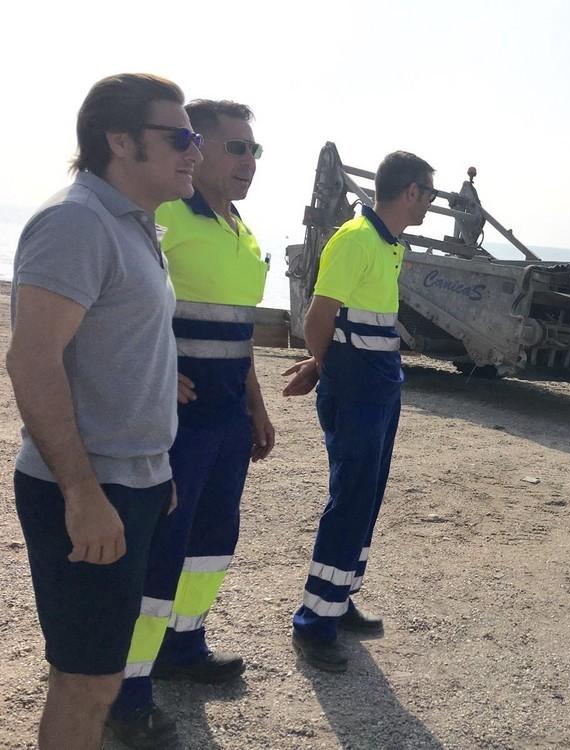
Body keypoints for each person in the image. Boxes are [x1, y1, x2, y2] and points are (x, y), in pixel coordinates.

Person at [7, 74, 200, 750]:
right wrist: (84, 494)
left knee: (104, 674)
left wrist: (155, 467)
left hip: (133, 481)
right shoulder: (77, 222)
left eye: (196, 137)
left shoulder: (133, 223)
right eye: (178, 137)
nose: (194, 152)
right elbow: (32, 361)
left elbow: (123, 358)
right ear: (119, 140)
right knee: (84, 681)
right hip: (88, 489)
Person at [109, 100, 275, 746]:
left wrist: (256, 404)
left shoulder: (244, 231)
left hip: (228, 417)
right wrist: (154, 372)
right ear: (197, 148)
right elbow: (122, 303)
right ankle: (127, 691)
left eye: (255, 151)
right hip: (177, 422)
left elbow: (240, 331)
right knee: (161, 550)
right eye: (236, 148)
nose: (248, 163)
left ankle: (185, 644)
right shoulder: (165, 218)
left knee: (211, 540)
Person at [282, 151, 435, 671]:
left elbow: (352, 320)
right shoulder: (354, 239)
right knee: (350, 498)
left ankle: (339, 598)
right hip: (357, 388)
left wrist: (331, 363)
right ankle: (314, 622)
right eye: (429, 195)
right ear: (410, 192)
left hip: (381, 384)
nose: (430, 204)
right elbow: (317, 316)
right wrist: (327, 367)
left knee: (367, 496)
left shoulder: (389, 244)